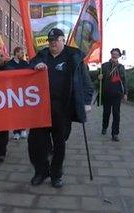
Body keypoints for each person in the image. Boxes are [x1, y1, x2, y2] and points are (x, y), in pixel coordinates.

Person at [29, 28, 93, 188]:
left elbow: (86, 83)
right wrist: (36, 64)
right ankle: (41, 172)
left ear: (63, 40)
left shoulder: (74, 57)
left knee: (59, 143)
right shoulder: (42, 55)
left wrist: (86, 103)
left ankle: (56, 174)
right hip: (41, 109)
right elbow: (29, 64)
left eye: (56, 41)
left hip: (64, 109)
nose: (52, 44)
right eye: (50, 41)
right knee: (37, 143)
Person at [99, 48, 127, 142]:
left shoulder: (121, 67)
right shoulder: (104, 65)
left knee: (116, 114)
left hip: (117, 94)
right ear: (111, 54)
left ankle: (115, 133)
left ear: (119, 56)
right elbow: (98, 82)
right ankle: (104, 126)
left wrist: (125, 93)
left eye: (116, 54)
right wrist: (99, 78)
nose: (114, 55)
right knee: (106, 112)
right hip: (107, 93)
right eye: (113, 53)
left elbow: (124, 81)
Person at [5, 46, 29, 140]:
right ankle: (16, 131)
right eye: (21, 52)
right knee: (15, 110)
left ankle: (23, 129)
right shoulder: (9, 63)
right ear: (16, 53)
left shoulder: (24, 63)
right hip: (13, 90)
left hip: (22, 90)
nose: (22, 54)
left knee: (22, 110)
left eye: (23, 52)